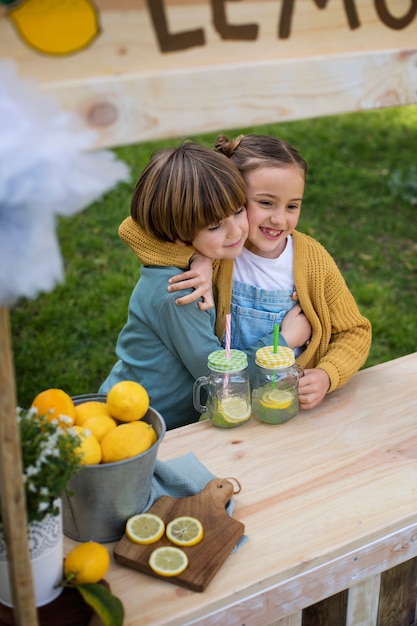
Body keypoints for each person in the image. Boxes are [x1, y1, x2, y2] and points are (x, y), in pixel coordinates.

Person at [119, 134, 372, 411]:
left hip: (283, 405)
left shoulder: (311, 260)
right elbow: (136, 228)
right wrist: (197, 257)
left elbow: (354, 331)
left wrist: (328, 374)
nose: (279, 219)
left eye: (292, 206)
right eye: (265, 203)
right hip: (224, 405)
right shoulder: (216, 261)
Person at [100, 141, 310, 429]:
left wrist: (199, 256)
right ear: (179, 235)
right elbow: (221, 378)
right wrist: (287, 339)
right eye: (215, 226)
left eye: (238, 211)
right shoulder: (181, 290)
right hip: (136, 425)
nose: (236, 231)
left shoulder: (192, 261)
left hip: (146, 417)